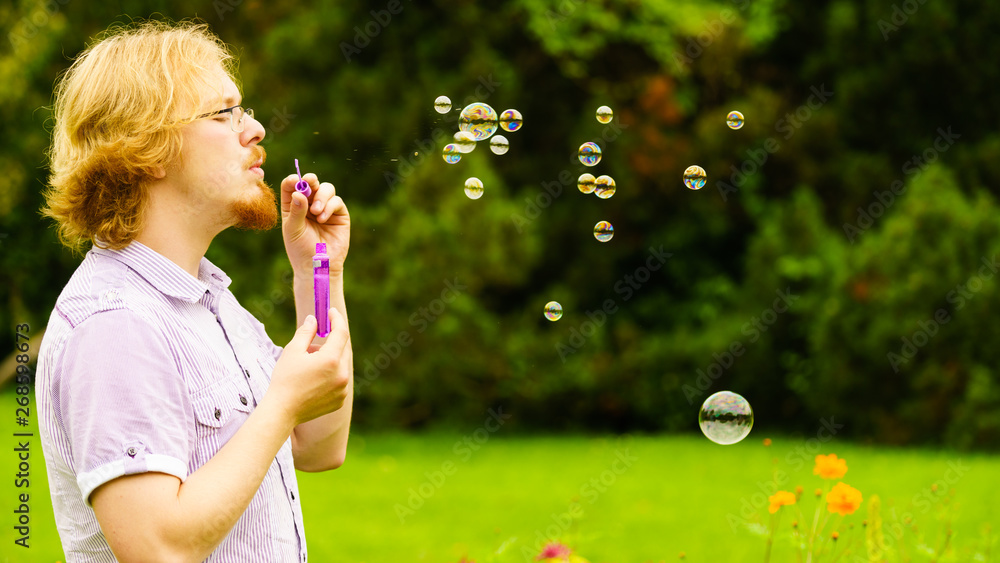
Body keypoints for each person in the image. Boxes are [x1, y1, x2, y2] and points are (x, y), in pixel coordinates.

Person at [36, 19, 353, 562]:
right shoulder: (115, 323)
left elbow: (321, 443)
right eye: (224, 113)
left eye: (244, 109)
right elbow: (157, 548)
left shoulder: (210, 302)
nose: (253, 129)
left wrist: (319, 273)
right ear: (148, 149)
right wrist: (278, 407)